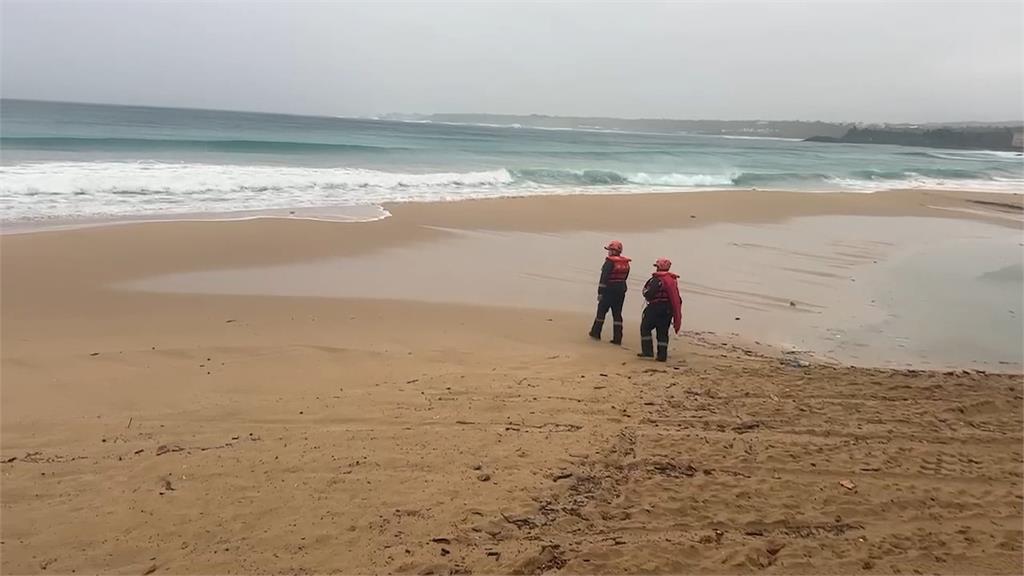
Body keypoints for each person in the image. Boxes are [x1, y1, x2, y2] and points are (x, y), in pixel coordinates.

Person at [639, 258, 682, 362]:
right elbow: (677, 298)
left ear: (659, 267)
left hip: (655, 308)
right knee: (662, 333)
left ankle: (648, 352)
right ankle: (662, 355)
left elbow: (649, 294)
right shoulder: (672, 281)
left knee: (645, 327)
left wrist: (645, 293)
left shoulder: (657, 280)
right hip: (667, 310)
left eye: (657, 266)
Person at [589, 240, 631, 345]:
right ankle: (618, 338)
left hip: (608, 291)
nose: (608, 252)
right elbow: (625, 278)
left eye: (609, 250)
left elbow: (603, 278)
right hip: (621, 291)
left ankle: (596, 332)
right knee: (617, 315)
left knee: (601, 312)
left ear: (613, 251)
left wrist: (600, 292)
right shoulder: (625, 264)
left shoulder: (609, 262)